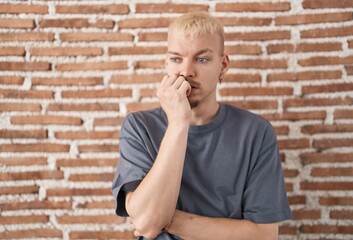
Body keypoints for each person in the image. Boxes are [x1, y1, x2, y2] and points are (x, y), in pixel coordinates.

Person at [112, 12, 292, 240]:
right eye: (176, 59)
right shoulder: (139, 127)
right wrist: (178, 123)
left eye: (202, 59)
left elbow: (263, 235)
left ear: (223, 65)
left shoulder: (256, 132)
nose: (186, 71)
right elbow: (148, 226)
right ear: (166, 63)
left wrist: (167, 220)